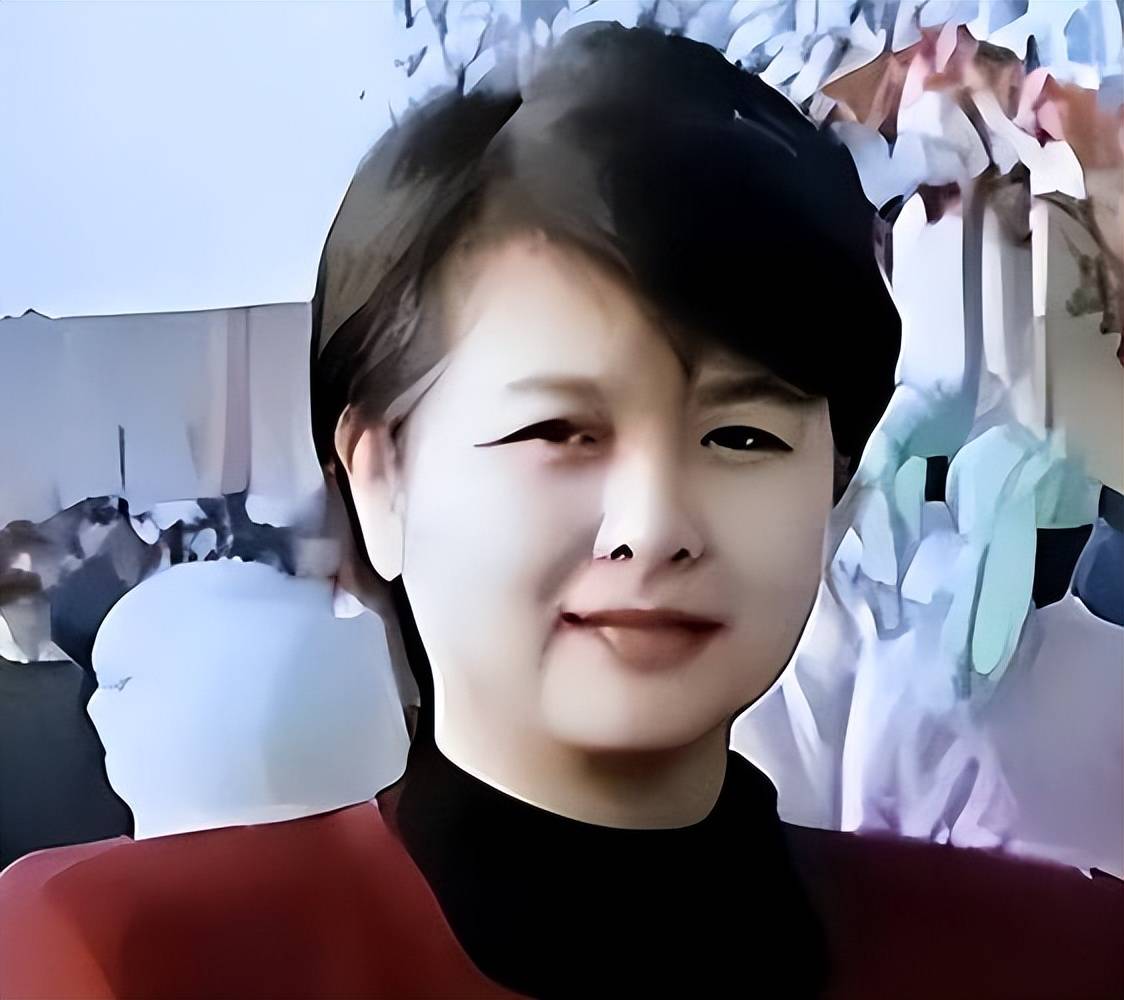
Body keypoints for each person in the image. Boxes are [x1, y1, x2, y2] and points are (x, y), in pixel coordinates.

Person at [1, 23, 1121, 1000]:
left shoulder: (1053, 959)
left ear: (832, 489)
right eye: (558, 431)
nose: (653, 523)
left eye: (742, 436)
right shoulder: (124, 960)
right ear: (379, 477)